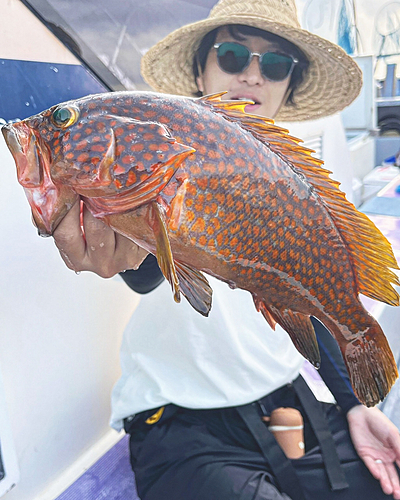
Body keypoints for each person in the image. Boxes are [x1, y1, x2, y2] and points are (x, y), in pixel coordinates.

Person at [52, 0, 400, 499]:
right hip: (179, 419)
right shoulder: (164, 146)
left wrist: (355, 404)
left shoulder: (305, 181)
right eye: (234, 55)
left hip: (284, 405)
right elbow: (146, 274)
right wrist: (129, 233)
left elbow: (312, 296)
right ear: (201, 68)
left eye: (276, 65)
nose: (254, 76)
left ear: (290, 84)